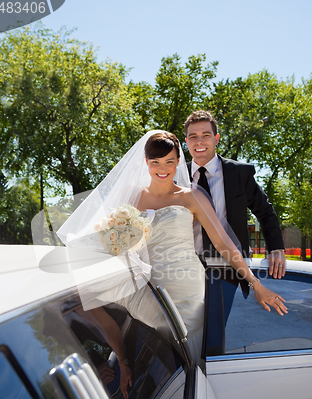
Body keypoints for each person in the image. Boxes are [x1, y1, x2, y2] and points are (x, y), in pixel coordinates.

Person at [57, 130, 287, 377]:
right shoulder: (132, 199)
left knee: (189, 355)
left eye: (169, 161)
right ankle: (127, 366)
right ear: (146, 162)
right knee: (163, 356)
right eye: (155, 162)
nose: (162, 168)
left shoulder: (191, 196)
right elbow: (112, 241)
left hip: (188, 287)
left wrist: (254, 282)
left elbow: (223, 243)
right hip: (152, 287)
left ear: (178, 161)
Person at [184, 110, 286, 335]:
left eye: (206, 135)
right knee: (186, 336)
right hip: (186, 271)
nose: (199, 142)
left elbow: (265, 212)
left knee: (216, 336)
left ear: (216, 138)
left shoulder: (239, 173)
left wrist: (276, 247)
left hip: (229, 271)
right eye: (193, 136)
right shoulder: (176, 176)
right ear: (186, 141)